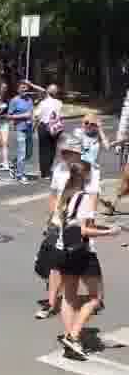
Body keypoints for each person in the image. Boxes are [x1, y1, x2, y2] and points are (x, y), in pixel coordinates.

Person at [51, 159, 118, 360]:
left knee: (69, 297)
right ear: (86, 177)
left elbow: (60, 223)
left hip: (63, 249)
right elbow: (84, 230)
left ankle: (72, 340)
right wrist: (109, 232)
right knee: (96, 298)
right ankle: (73, 336)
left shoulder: (66, 196)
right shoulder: (86, 198)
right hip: (83, 252)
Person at [35, 135, 100, 321]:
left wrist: (89, 222)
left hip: (80, 223)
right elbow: (53, 195)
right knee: (56, 265)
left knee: (86, 260)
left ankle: (93, 298)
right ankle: (51, 302)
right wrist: (53, 219)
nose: (64, 155)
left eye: (68, 152)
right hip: (60, 222)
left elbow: (93, 198)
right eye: (63, 152)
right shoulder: (59, 169)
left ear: (78, 153)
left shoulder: (91, 170)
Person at [34, 84, 64, 178]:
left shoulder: (43, 103)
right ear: (55, 93)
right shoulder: (59, 103)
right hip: (55, 127)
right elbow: (60, 116)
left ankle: (44, 171)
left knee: (43, 149)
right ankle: (49, 169)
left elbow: (36, 116)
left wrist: (34, 127)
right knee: (52, 149)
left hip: (44, 126)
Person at [7, 82, 34, 182]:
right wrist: (23, 116)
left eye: (26, 89)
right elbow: (9, 116)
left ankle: (13, 163)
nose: (25, 90)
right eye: (22, 88)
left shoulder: (29, 100)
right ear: (18, 90)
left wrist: (33, 121)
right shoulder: (14, 101)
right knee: (22, 152)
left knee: (29, 154)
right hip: (20, 129)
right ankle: (20, 175)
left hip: (29, 129)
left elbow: (31, 113)